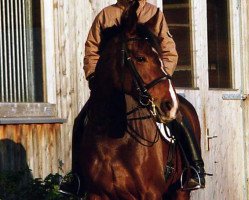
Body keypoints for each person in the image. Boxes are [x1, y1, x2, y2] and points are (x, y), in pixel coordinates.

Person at [59, 0, 206, 197]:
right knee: (81, 121)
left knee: (179, 117)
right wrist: (94, 77)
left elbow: (168, 49)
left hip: (148, 85)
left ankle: (194, 168)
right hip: (111, 88)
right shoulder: (106, 15)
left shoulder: (152, 14)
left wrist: (159, 80)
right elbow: (91, 50)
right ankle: (77, 178)